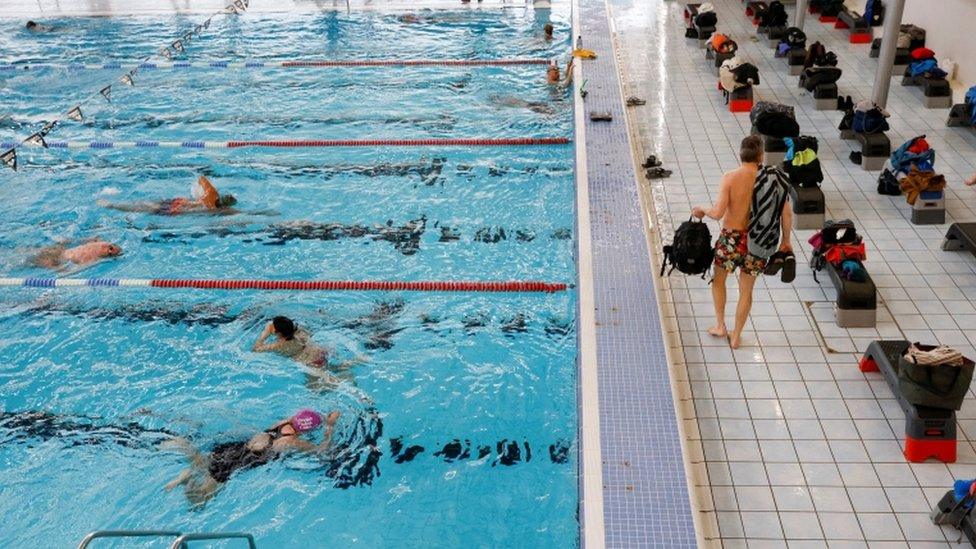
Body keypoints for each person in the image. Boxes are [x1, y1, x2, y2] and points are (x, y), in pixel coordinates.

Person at [692, 135, 792, 350]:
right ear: (760, 156)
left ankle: (721, 326)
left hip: (731, 239)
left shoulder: (730, 177)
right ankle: (736, 336)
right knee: (746, 290)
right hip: (759, 241)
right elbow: (786, 215)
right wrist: (786, 242)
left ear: (741, 154)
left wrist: (702, 209)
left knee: (719, 281)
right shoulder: (772, 180)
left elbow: (718, 213)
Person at [162, 409, 340, 505]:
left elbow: (300, 418)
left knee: (204, 463)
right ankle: (187, 478)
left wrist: (321, 418)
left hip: (231, 448)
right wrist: (330, 428)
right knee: (199, 501)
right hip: (238, 462)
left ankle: (188, 467)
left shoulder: (282, 424)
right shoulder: (289, 442)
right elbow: (321, 450)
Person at [97, 175, 238, 216]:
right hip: (177, 209)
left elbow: (201, 178)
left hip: (177, 203)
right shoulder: (215, 207)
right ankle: (112, 205)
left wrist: (198, 196)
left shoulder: (211, 195)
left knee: (143, 205)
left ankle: (112, 205)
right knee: (142, 208)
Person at [31, 239, 122, 270]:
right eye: (111, 247)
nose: (108, 251)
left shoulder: (91, 259)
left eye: (110, 254)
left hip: (54, 260)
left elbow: (69, 271)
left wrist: (56, 268)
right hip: (59, 250)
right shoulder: (95, 241)